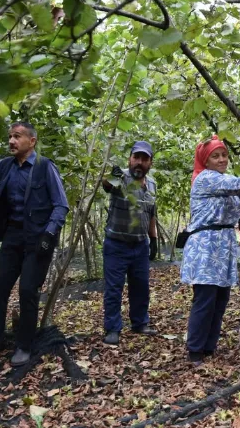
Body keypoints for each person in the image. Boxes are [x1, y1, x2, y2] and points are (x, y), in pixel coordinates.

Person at [0, 122, 69, 368]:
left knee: (28, 291)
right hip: (13, 236)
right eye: (10, 136)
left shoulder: (45, 167)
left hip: (38, 239)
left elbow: (61, 205)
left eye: (17, 136)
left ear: (32, 141)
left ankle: (24, 345)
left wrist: (48, 234)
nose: (11, 141)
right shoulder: (4, 166)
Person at [181, 136, 240, 366]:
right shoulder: (206, 179)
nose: (221, 160)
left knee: (220, 299)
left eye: (224, 155)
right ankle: (195, 349)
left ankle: (209, 347)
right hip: (206, 246)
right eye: (215, 156)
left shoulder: (224, 180)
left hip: (224, 245)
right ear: (206, 161)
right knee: (205, 298)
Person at [102, 141, 158, 346]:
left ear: (150, 163)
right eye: (136, 157)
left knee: (141, 287)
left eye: (144, 159)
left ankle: (139, 323)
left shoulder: (151, 185)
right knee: (114, 288)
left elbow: (151, 212)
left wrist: (153, 239)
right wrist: (111, 177)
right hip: (116, 244)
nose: (139, 162)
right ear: (130, 159)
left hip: (140, 245)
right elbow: (107, 186)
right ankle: (112, 328)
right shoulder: (121, 178)